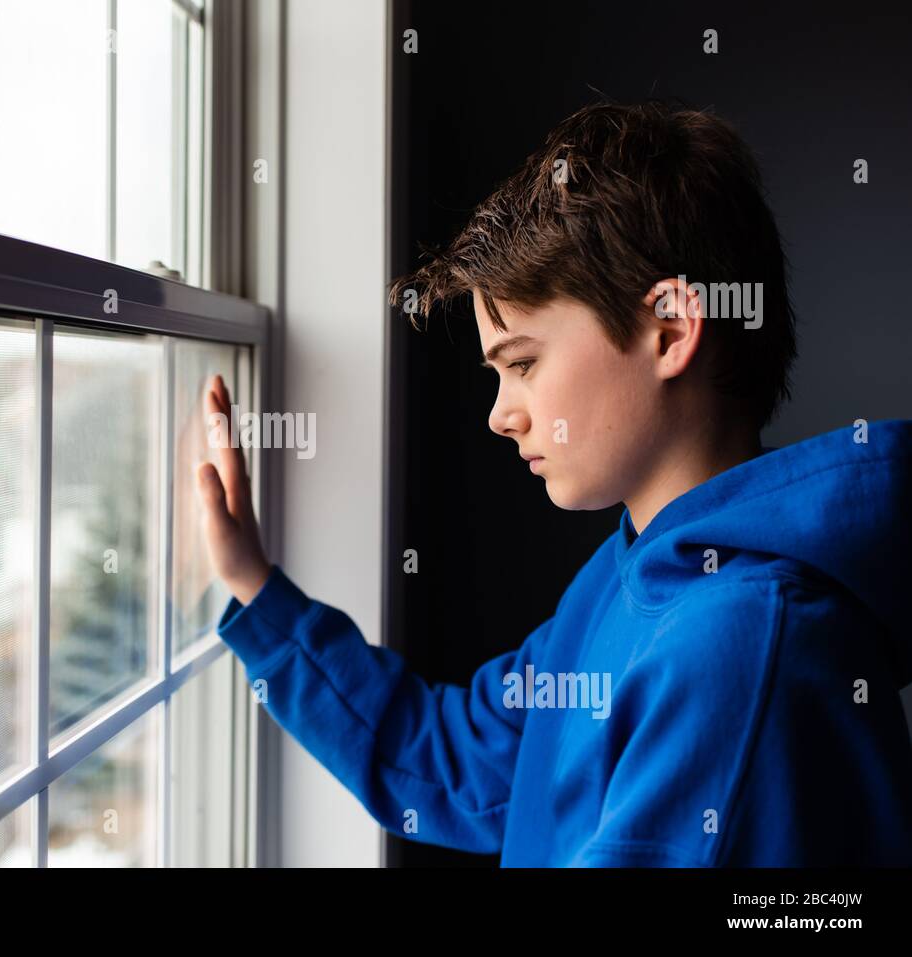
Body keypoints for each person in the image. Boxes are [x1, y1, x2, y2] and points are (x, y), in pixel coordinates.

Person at [193, 101, 912, 866]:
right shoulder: (629, 575)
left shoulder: (733, 647)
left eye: (524, 363)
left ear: (669, 329)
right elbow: (454, 765)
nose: (502, 415)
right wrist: (255, 588)